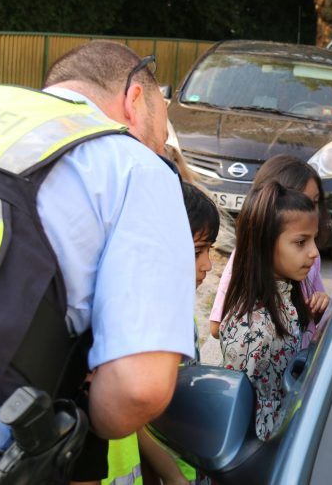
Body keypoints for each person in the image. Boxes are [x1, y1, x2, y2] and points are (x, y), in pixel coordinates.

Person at [0, 40, 195, 484]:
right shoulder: (132, 165)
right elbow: (137, 389)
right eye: (160, 134)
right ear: (134, 100)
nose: (159, 149)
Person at [219, 181, 320, 440]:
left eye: (313, 240)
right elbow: (230, 411)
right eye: (301, 242)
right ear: (265, 244)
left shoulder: (286, 298)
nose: (314, 253)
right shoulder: (251, 327)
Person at [136, 182, 220, 485]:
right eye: (198, 252)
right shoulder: (146, 321)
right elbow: (139, 418)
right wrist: (173, 476)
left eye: (208, 251)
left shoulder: (178, 312)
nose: (208, 265)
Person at [209, 155, 331, 347]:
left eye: (315, 202)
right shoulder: (245, 259)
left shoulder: (310, 257)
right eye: (302, 201)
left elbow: (321, 311)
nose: (311, 211)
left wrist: (321, 306)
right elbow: (218, 326)